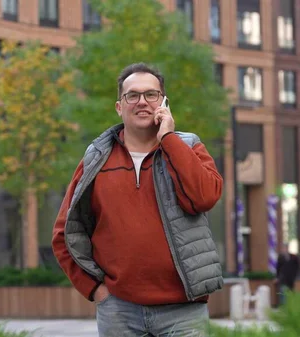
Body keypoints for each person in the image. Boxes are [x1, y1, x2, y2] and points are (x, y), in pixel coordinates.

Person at [51, 63, 224, 337]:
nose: (142, 101)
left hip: (185, 312)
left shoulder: (188, 146)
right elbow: (64, 234)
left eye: (151, 95)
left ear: (163, 102)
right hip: (119, 311)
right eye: (132, 95)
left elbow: (204, 197)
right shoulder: (96, 159)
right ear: (119, 106)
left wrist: (167, 137)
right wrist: (96, 290)